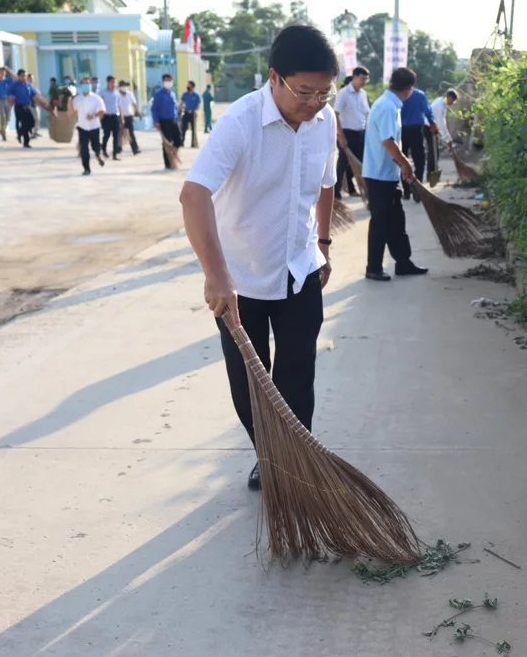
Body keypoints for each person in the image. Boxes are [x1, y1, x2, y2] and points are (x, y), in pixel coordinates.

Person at [179, 25, 339, 490]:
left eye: (323, 94)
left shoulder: (323, 122)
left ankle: (293, 457)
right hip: (241, 280)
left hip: (300, 269)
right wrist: (215, 275)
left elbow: (325, 183)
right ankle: (266, 452)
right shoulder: (240, 121)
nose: (312, 104)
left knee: (298, 372)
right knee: (251, 383)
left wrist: (323, 244)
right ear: (274, 78)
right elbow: (194, 195)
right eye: (303, 92)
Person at [361, 67, 428, 281]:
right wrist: (406, 164)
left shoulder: (388, 104)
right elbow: (389, 142)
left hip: (386, 174)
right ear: (409, 90)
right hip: (379, 175)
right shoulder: (388, 107)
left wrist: (401, 166)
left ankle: (403, 262)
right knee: (381, 221)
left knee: (396, 220)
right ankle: (373, 267)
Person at [332, 66, 370, 200]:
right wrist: (340, 135)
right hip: (347, 133)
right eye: (362, 78)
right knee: (342, 163)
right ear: (354, 77)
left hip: (360, 132)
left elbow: (366, 114)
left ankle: (352, 188)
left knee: (357, 162)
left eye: (366, 79)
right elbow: (335, 114)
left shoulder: (363, 94)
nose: (364, 81)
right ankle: (335, 191)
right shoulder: (344, 93)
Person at [399, 86, 437, 202]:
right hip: (416, 131)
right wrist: (432, 123)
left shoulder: (398, 94)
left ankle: (406, 191)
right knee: (419, 161)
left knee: (402, 160)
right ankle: (416, 187)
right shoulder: (419, 94)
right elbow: (427, 111)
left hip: (400, 131)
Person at [69, 76, 106, 175]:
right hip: (82, 128)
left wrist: (94, 115)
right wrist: (69, 100)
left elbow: (103, 111)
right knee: (84, 149)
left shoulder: (96, 98)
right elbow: (71, 112)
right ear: (81, 86)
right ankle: (86, 168)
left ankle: (98, 155)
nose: (86, 86)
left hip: (94, 127)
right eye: (84, 84)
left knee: (95, 146)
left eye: (87, 83)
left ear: (90, 85)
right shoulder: (77, 99)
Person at [8, 69, 50, 149]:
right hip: (19, 106)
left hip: (27, 106)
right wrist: (9, 103)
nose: (24, 77)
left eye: (25, 76)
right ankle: (26, 143)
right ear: (19, 76)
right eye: (22, 76)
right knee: (24, 123)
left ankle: (20, 132)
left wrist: (44, 104)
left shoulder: (29, 85)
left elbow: (35, 96)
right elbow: (8, 93)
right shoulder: (15, 84)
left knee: (31, 122)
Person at [151, 73, 181, 169]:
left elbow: (175, 107)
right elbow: (154, 109)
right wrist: (156, 121)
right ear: (163, 82)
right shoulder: (159, 94)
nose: (168, 83)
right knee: (166, 142)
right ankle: (168, 163)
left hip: (173, 120)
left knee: (178, 140)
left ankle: (174, 156)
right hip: (164, 121)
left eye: (170, 81)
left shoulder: (172, 93)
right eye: (166, 80)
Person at [430, 89, 458, 161]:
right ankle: (432, 170)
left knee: (434, 152)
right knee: (434, 153)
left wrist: (448, 139)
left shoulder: (441, 102)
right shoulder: (440, 106)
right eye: (453, 101)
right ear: (450, 98)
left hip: (432, 128)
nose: (452, 103)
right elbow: (441, 125)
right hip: (429, 128)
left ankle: (433, 169)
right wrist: (448, 140)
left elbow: (443, 123)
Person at [100, 75, 122, 160]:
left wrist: (121, 117)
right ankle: (104, 150)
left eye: (114, 82)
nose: (113, 84)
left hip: (116, 116)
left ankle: (115, 154)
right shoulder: (102, 92)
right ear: (108, 83)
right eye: (112, 82)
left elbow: (119, 105)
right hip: (106, 117)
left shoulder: (117, 93)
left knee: (116, 136)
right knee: (107, 135)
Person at [118, 80, 141, 155]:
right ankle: (118, 148)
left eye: (126, 86)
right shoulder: (117, 94)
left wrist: (138, 113)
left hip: (129, 116)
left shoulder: (130, 94)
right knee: (119, 133)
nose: (125, 87)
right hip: (119, 116)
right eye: (124, 86)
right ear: (120, 87)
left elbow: (134, 104)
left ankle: (135, 148)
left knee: (131, 133)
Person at [180, 81, 202, 148]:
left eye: (189, 85)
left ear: (192, 86)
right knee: (183, 128)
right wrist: (180, 109)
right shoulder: (185, 94)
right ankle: (182, 142)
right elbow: (181, 102)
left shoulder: (196, 95)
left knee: (193, 129)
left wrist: (196, 110)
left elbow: (198, 104)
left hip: (193, 113)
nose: (187, 86)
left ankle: (193, 144)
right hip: (186, 113)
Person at [26, 73, 41, 139]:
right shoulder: (26, 86)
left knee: (37, 119)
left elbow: (38, 94)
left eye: (32, 78)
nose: (32, 80)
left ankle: (35, 132)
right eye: (31, 78)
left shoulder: (34, 87)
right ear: (28, 79)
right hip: (29, 106)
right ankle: (30, 133)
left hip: (35, 105)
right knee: (30, 120)